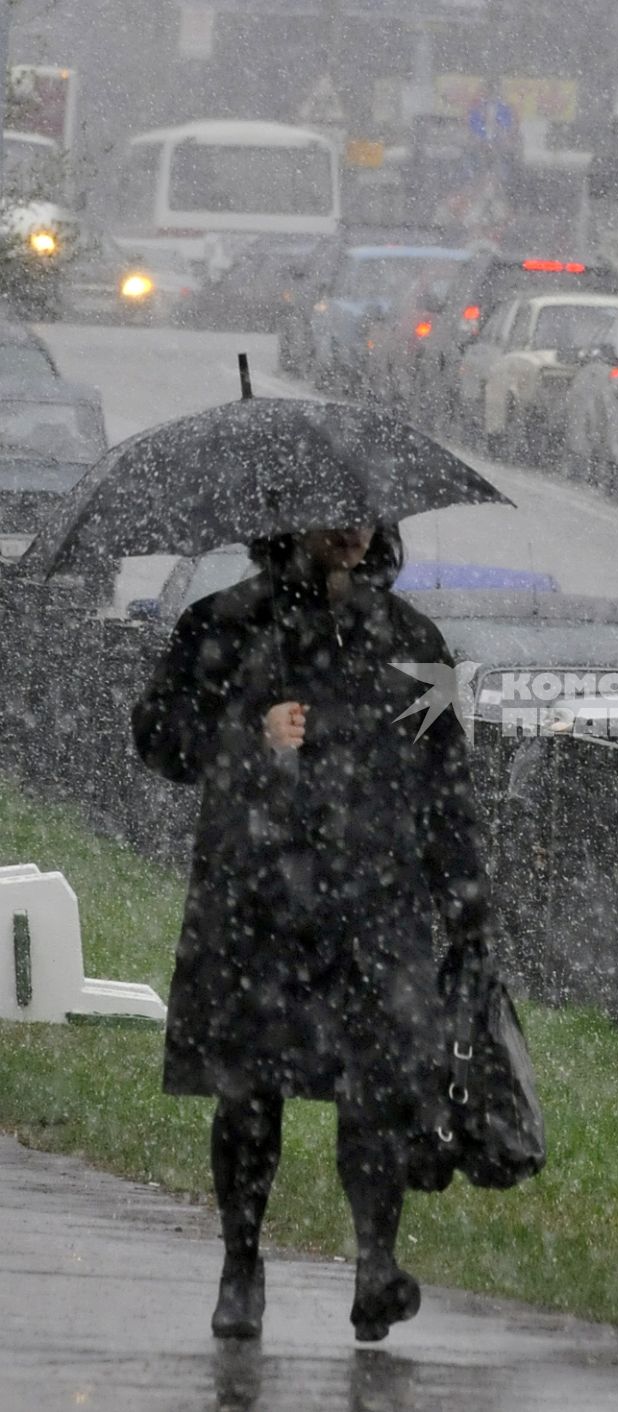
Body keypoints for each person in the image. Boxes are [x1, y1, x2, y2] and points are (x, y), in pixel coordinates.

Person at [133, 523, 489, 1343]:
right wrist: (248, 736)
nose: (355, 527)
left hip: (376, 904)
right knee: (250, 1091)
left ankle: (377, 1265)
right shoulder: (224, 623)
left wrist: (466, 906)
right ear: (286, 520)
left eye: (368, 511)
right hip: (257, 900)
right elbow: (157, 737)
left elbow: (445, 779)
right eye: (334, 511)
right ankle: (242, 1263)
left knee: (380, 1087)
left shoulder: (410, 639)